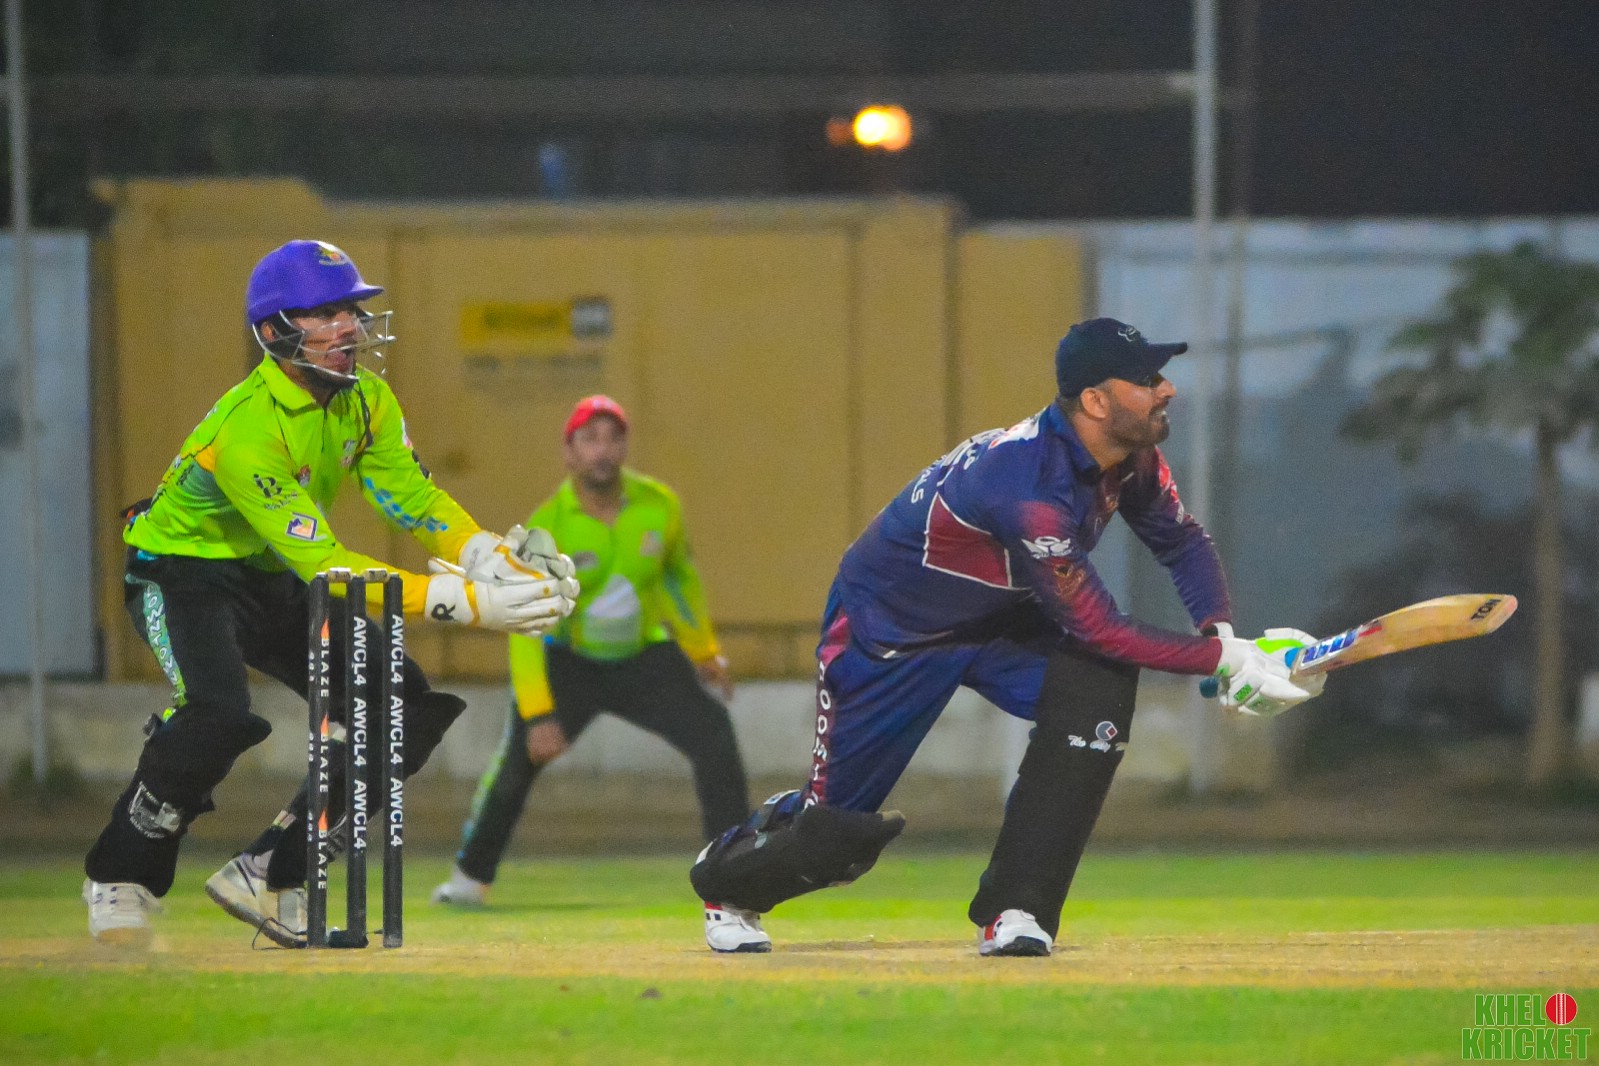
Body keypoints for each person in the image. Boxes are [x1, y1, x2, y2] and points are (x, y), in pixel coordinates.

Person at [689, 317, 1325, 956]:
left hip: (1001, 621)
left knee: (1097, 692)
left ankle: (1018, 909)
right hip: (889, 635)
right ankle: (724, 883)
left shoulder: (1130, 460)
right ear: (1095, 401)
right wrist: (1225, 659)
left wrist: (1220, 634)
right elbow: (1098, 625)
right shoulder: (1025, 488)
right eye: (1147, 379)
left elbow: (1180, 539)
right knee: (831, 841)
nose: (1168, 389)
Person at [82, 239, 580, 947]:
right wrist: (471, 605)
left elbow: (413, 499)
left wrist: (486, 556)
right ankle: (118, 874)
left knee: (402, 708)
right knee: (216, 712)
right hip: (182, 571)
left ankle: (269, 872)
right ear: (273, 331)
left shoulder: (365, 399)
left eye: (351, 309)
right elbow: (324, 565)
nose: (348, 326)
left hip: (272, 571)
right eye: (324, 313)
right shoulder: (245, 430)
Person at [431, 395, 751, 907]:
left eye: (613, 438)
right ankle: (468, 880)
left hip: (643, 658)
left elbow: (679, 582)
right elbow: (525, 624)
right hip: (570, 663)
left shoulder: (660, 506)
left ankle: (731, 872)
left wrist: (704, 651)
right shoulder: (547, 527)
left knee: (714, 733)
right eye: (590, 440)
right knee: (516, 764)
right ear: (569, 453)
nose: (603, 450)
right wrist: (539, 714)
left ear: (625, 447)